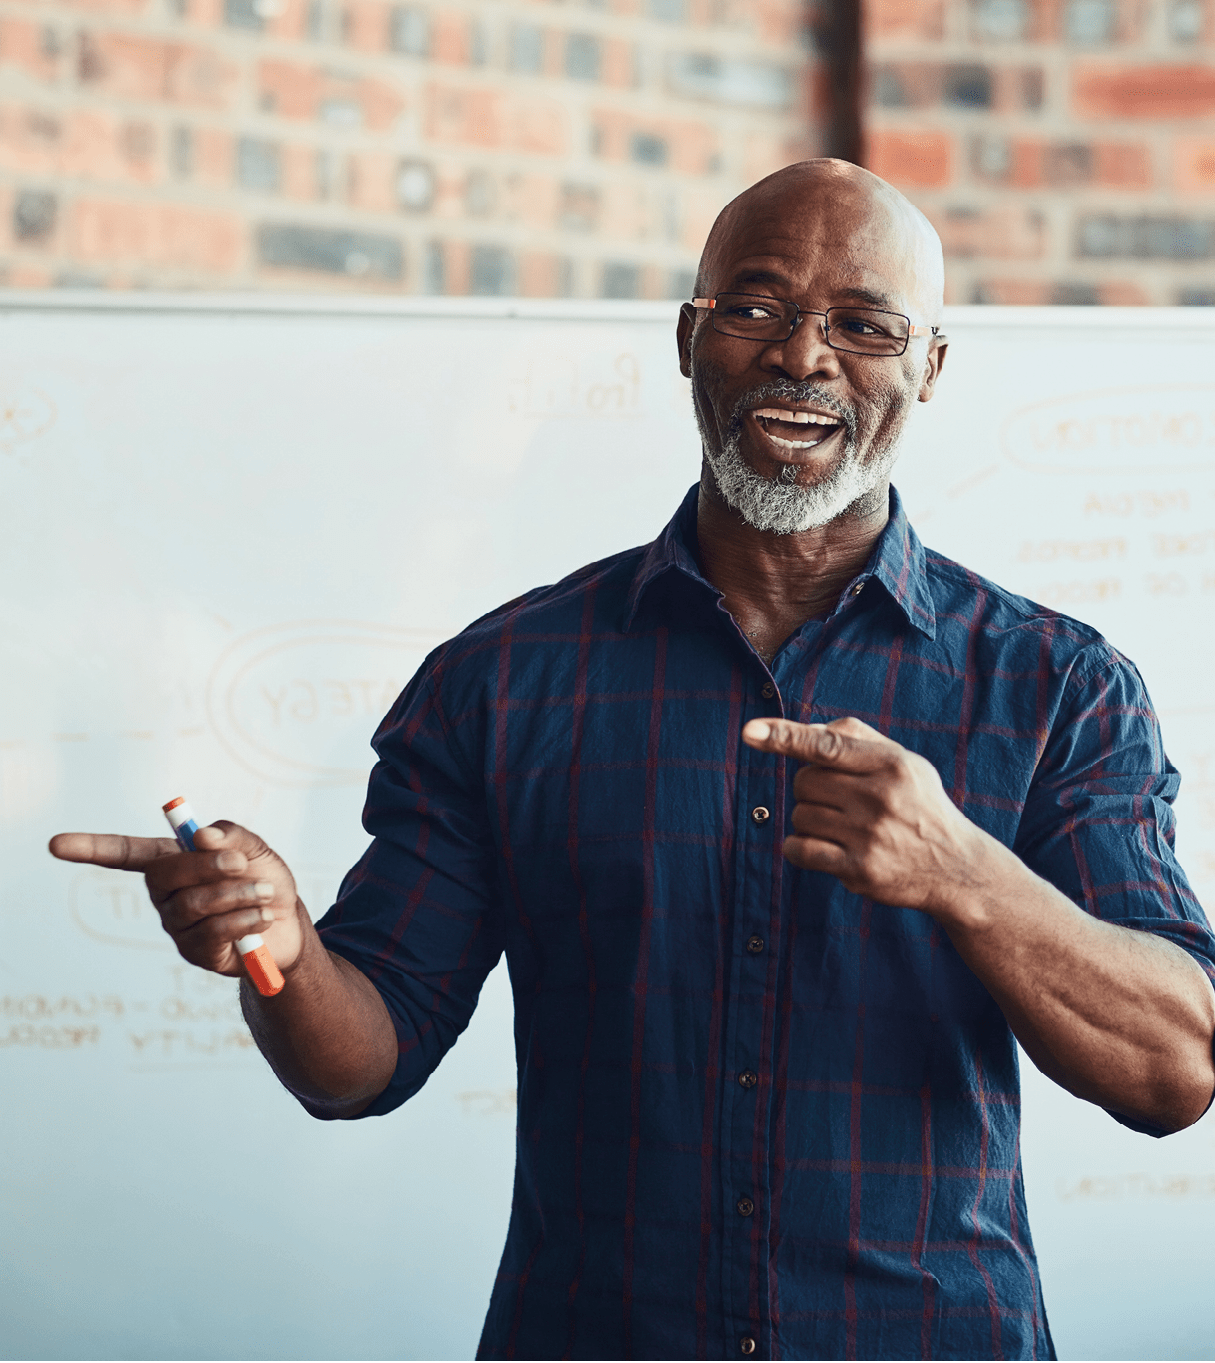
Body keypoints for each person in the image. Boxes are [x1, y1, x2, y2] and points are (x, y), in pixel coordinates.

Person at [51, 160, 1215, 1362]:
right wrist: (283, 950)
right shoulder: (504, 681)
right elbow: (359, 1062)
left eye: (864, 324)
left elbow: (1176, 1067)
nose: (804, 356)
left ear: (929, 366)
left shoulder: (1057, 685)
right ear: (688, 339)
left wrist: (964, 872)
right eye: (756, 306)